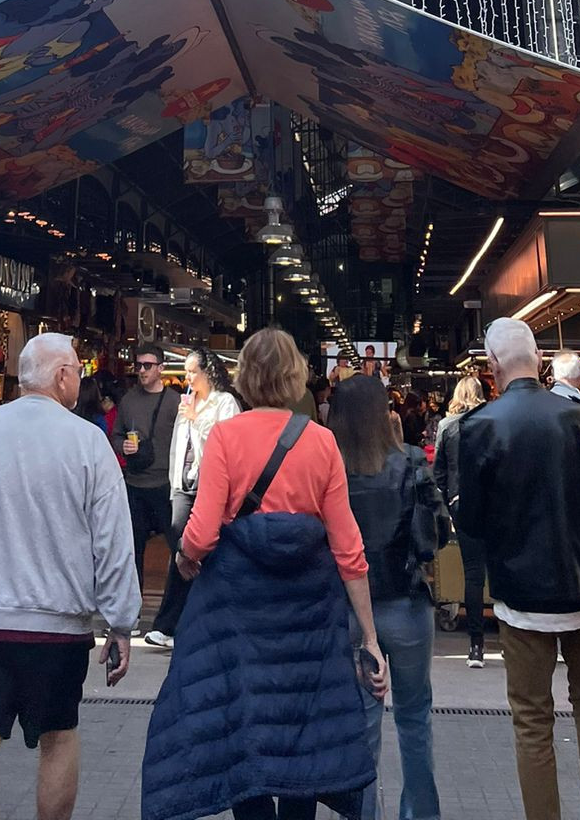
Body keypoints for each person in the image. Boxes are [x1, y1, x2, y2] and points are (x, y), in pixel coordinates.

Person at [143, 326, 388, 820]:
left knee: (244, 725)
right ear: (296, 377)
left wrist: (185, 558)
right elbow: (348, 547)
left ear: (246, 377)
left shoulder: (227, 437)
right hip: (308, 614)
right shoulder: (321, 443)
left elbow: (203, 530)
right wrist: (369, 636)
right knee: (302, 734)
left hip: (239, 612)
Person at [0, 332, 139, 820]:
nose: (79, 379)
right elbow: (113, 542)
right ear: (62, 376)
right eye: (77, 370)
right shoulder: (89, 442)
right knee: (59, 738)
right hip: (58, 629)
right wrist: (120, 622)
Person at [457, 318, 580, 820]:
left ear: (492, 367)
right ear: (540, 357)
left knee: (532, 720)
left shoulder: (479, 427)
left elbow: (471, 522)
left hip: (520, 596)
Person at [331, 371, 449, 820]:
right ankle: (420, 814)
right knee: (416, 718)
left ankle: (361, 814)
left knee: (362, 724)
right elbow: (435, 534)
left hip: (352, 612)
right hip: (408, 606)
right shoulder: (413, 461)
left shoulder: (331, 471)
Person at [144, 348, 240, 649]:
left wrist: (197, 420)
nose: (187, 377)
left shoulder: (225, 403)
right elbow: (178, 445)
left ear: (207, 372)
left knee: (190, 551)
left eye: (191, 372)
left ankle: (173, 623)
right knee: (183, 547)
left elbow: (224, 446)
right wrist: (174, 482)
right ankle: (175, 623)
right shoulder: (189, 402)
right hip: (183, 487)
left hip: (209, 486)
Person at [115, 346, 181, 602]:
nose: (141, 370)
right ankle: (132, 608)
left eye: (147, 365)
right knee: (133, 549)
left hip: (166, 483)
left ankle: (173, 610)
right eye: (138, 365)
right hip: (135, 482)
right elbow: (117, 434)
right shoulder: (128, 400)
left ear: (160, 368)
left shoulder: (174, 401)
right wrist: (122, 446)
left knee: (178, 549)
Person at [432, 375, 488, 668]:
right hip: (494, 505)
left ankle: (475, 646)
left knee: (473, 574)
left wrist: (448, 501)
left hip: (461, 505)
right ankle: (515, 638)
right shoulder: (492, 421)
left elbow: (438, 470)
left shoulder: (446, 426)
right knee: (502, 569)